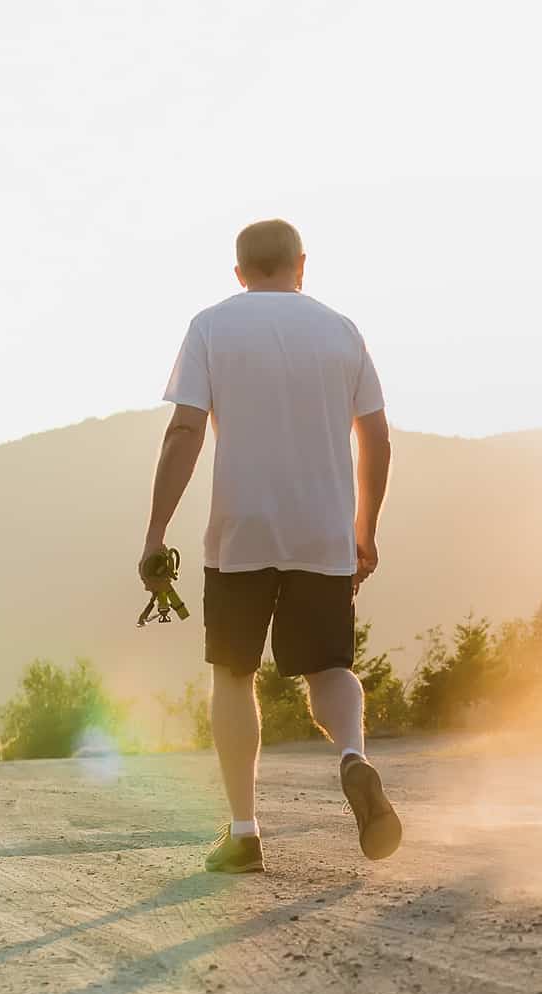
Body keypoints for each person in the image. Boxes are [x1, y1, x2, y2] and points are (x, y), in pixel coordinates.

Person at [139, 218, 402, 873]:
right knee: (330, 665)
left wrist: (155, 532)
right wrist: (364, 530)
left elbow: (184, 432)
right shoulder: (341, 331)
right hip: (323, 528)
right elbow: (378, 438)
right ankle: (352, 757)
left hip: (240, 531)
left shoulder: (211, 325)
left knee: (233, 673)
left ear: (239, 272)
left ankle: (245, 832)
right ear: (301, 265)